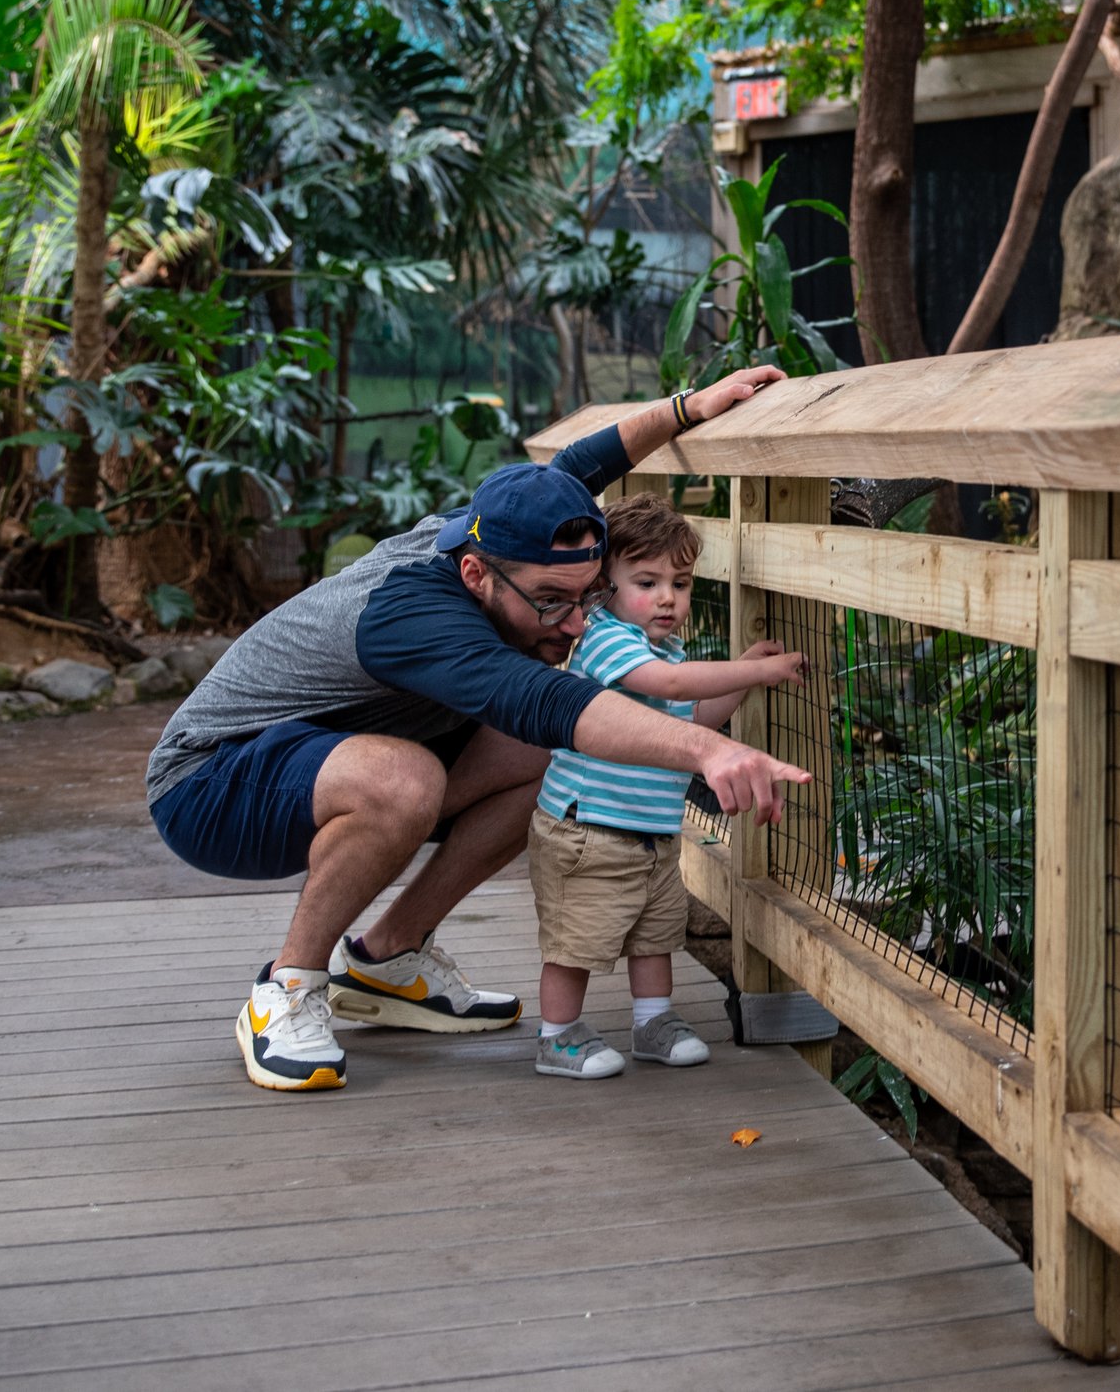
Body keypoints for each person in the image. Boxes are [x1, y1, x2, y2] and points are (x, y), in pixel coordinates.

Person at [143, 370, 807, 1093]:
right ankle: (289, 989)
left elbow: (575, 470)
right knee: (410, 778)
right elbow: (547, 700)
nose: (578, 622)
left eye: (587, 596)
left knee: (540, 759)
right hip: (209, 786)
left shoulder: (497, 536)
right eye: (552, 603)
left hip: (324, 755)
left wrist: (688, 408)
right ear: (474, 575)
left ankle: (388, 956)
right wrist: (709, 748)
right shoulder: (413, 615)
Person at [529, 495, 807, 1079]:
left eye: (680, 584)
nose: (667, 598)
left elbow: (693, 720)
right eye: (648, 581)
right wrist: (754, 669)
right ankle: (556, 1036)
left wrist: (742, 681)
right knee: (577, 937)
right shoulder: (606, 641)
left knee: (656, 931)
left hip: (652, 830)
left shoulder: (662, 647)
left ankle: (653, 1021)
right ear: (604, 588)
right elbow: (669, 682)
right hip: (589, 829)